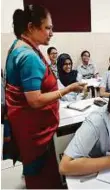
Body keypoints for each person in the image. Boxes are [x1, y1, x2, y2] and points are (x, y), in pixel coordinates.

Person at [5, 5, 86, 188]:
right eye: (48, 28)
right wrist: (67, 90)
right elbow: (34, 100)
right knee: (43, 174)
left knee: (34, 167)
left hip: (25, 124)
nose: (51, 33)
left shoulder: (19, 45)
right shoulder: (29, 57)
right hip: (34, 128)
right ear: (31, 27)